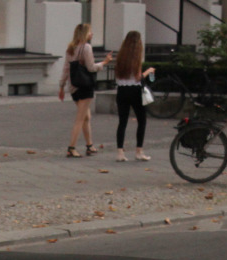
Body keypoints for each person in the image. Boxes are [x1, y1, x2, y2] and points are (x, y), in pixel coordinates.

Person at [59, 23, 113, 157]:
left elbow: (66, 68)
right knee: (80, 118)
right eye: (90, 32)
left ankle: (90, 145)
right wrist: (105, 62)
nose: (92, 34)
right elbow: (91, 68)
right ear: (84, 34)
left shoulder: (70, 48)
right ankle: (71, 148)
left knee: (86, 116)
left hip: (73, 87)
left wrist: (61, 86)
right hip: (85, 86)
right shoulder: (87, 48)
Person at [112, 31, 155, 162]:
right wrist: (149, 71)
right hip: (135, 91)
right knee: (142, 120)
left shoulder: (120, 57)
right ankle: (139, 151)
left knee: (122, 122)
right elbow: (138, 77)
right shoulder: (136, 57)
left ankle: (120, 152)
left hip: (122, 91)